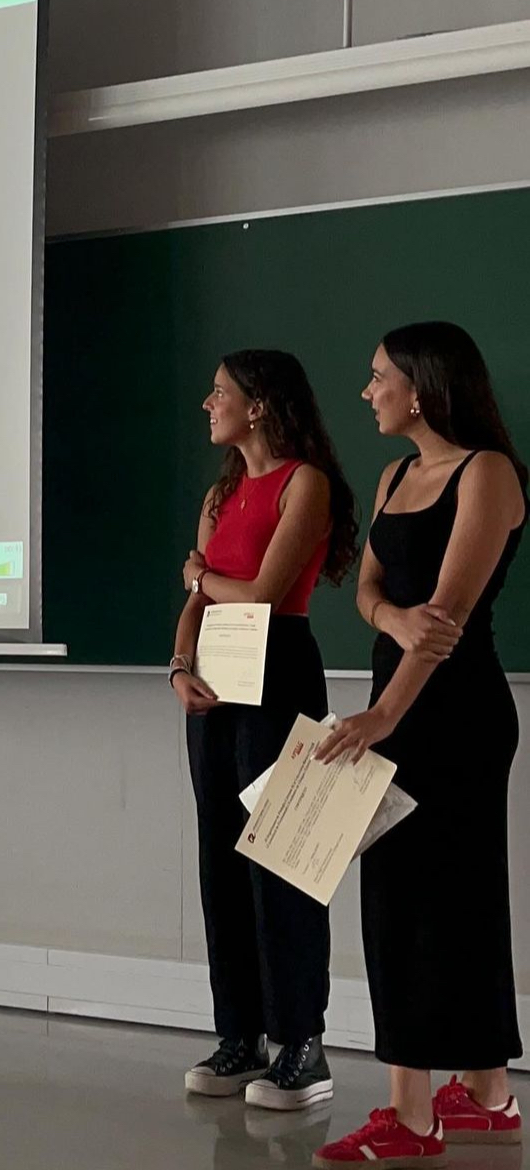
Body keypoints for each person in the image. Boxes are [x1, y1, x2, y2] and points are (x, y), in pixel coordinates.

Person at [313, 322, 525, 1167]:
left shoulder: (488, 473)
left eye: (378, 377)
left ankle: (411, 1116)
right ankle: (488, 1095)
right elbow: (369, 590)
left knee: (437, 903)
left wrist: (383, 717)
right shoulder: (395, 474)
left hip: (453, 714)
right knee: (410, 902)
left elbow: (447, 620)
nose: (367, 392)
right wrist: (388, 616)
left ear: (422, 384)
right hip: (395, 704)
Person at [171, 350, 358, 1111]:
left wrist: (197, 576)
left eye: (219, 392)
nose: (207, 403)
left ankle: (301, 1044)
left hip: (278, 670)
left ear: (258, 405)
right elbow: (199, 604)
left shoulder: (304, 483)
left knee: (281, 858)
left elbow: (260, 593)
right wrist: (178, 665)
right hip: (215, 676)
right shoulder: (220, 494)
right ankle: (239, 1037)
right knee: (219, 858)